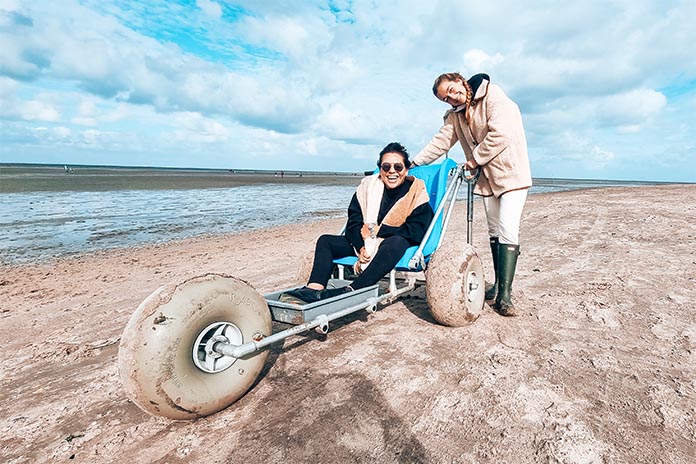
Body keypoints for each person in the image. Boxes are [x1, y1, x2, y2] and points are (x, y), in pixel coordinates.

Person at [411, 73, 532, 316]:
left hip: (511, 174)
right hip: (487, 180)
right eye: (446, 99)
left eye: (452, 90)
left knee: (508, 228)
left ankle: (505, 297)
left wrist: (473, 160)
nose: (451, 98)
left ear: (459, 80)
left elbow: (501, 135)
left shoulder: (493, 96)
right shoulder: (455, 115)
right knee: (494, 230)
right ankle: (498, 285)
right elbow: (441, 142)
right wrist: (413, 163)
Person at [284, 142, 434, 303]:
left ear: (406, 169)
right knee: (326, 241)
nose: (392, 171)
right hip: (366, 243)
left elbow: (416, 230)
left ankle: (354, 289)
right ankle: (314, 289)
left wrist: (379, 231)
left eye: (398, 167)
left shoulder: (416, 191)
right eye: (386, 167)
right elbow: (353, 224)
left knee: (396, 241)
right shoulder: (367, 188)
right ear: (380, 169)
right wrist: (360, 247)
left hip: (395, 245)